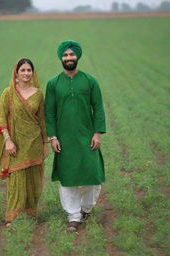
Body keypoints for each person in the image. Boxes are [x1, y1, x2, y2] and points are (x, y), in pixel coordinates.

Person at [45, 40, 106, 232]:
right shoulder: (53, 83)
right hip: (64, 138)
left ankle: (86, 208)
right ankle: (73, 215)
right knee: (68, 175)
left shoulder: (90, 81)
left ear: (77, 57)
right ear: (61, 58)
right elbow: (49, 113)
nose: (69, 58)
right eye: (65, 55)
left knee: (91, 173)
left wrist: (97, 133)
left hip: (87, 135)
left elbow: (98, 108)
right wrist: (53, 137)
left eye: (71, 55)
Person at [0, 58, 48, 226]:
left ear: (33, 73)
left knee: (33, 178)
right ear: (16, 73)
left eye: (29, 70)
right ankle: (13, 216)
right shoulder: (8, 93)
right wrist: (8, 140)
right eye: (23, 70)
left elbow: (42, 120)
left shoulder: (38, 93)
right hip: (15, 143)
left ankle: (30, 212)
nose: (26, 73)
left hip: (34, 142)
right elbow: (2, 119)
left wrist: (45, 144)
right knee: (16, 178)